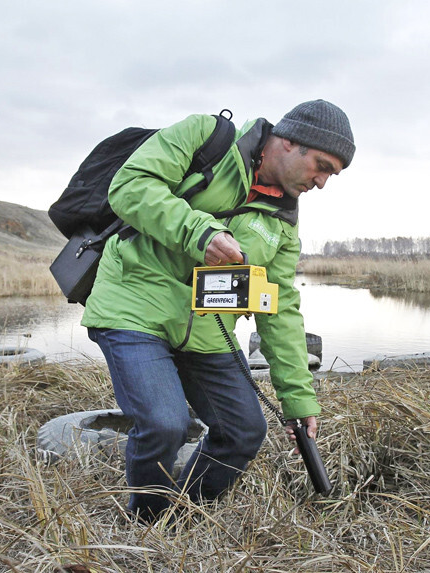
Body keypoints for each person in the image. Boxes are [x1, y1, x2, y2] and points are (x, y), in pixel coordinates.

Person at [80, 100, 355, 522]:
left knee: (244, 430)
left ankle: (185, 517)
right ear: (288, 141)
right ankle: (147, 523)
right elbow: (130, 186)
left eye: (331, 176)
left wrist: (299, 399)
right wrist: (199, 231)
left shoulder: (283, 222)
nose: (321, 182)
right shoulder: (204, 138)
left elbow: (278, 307)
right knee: (164, 424)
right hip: (134, 307)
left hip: (207, 330)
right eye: (321, 166)